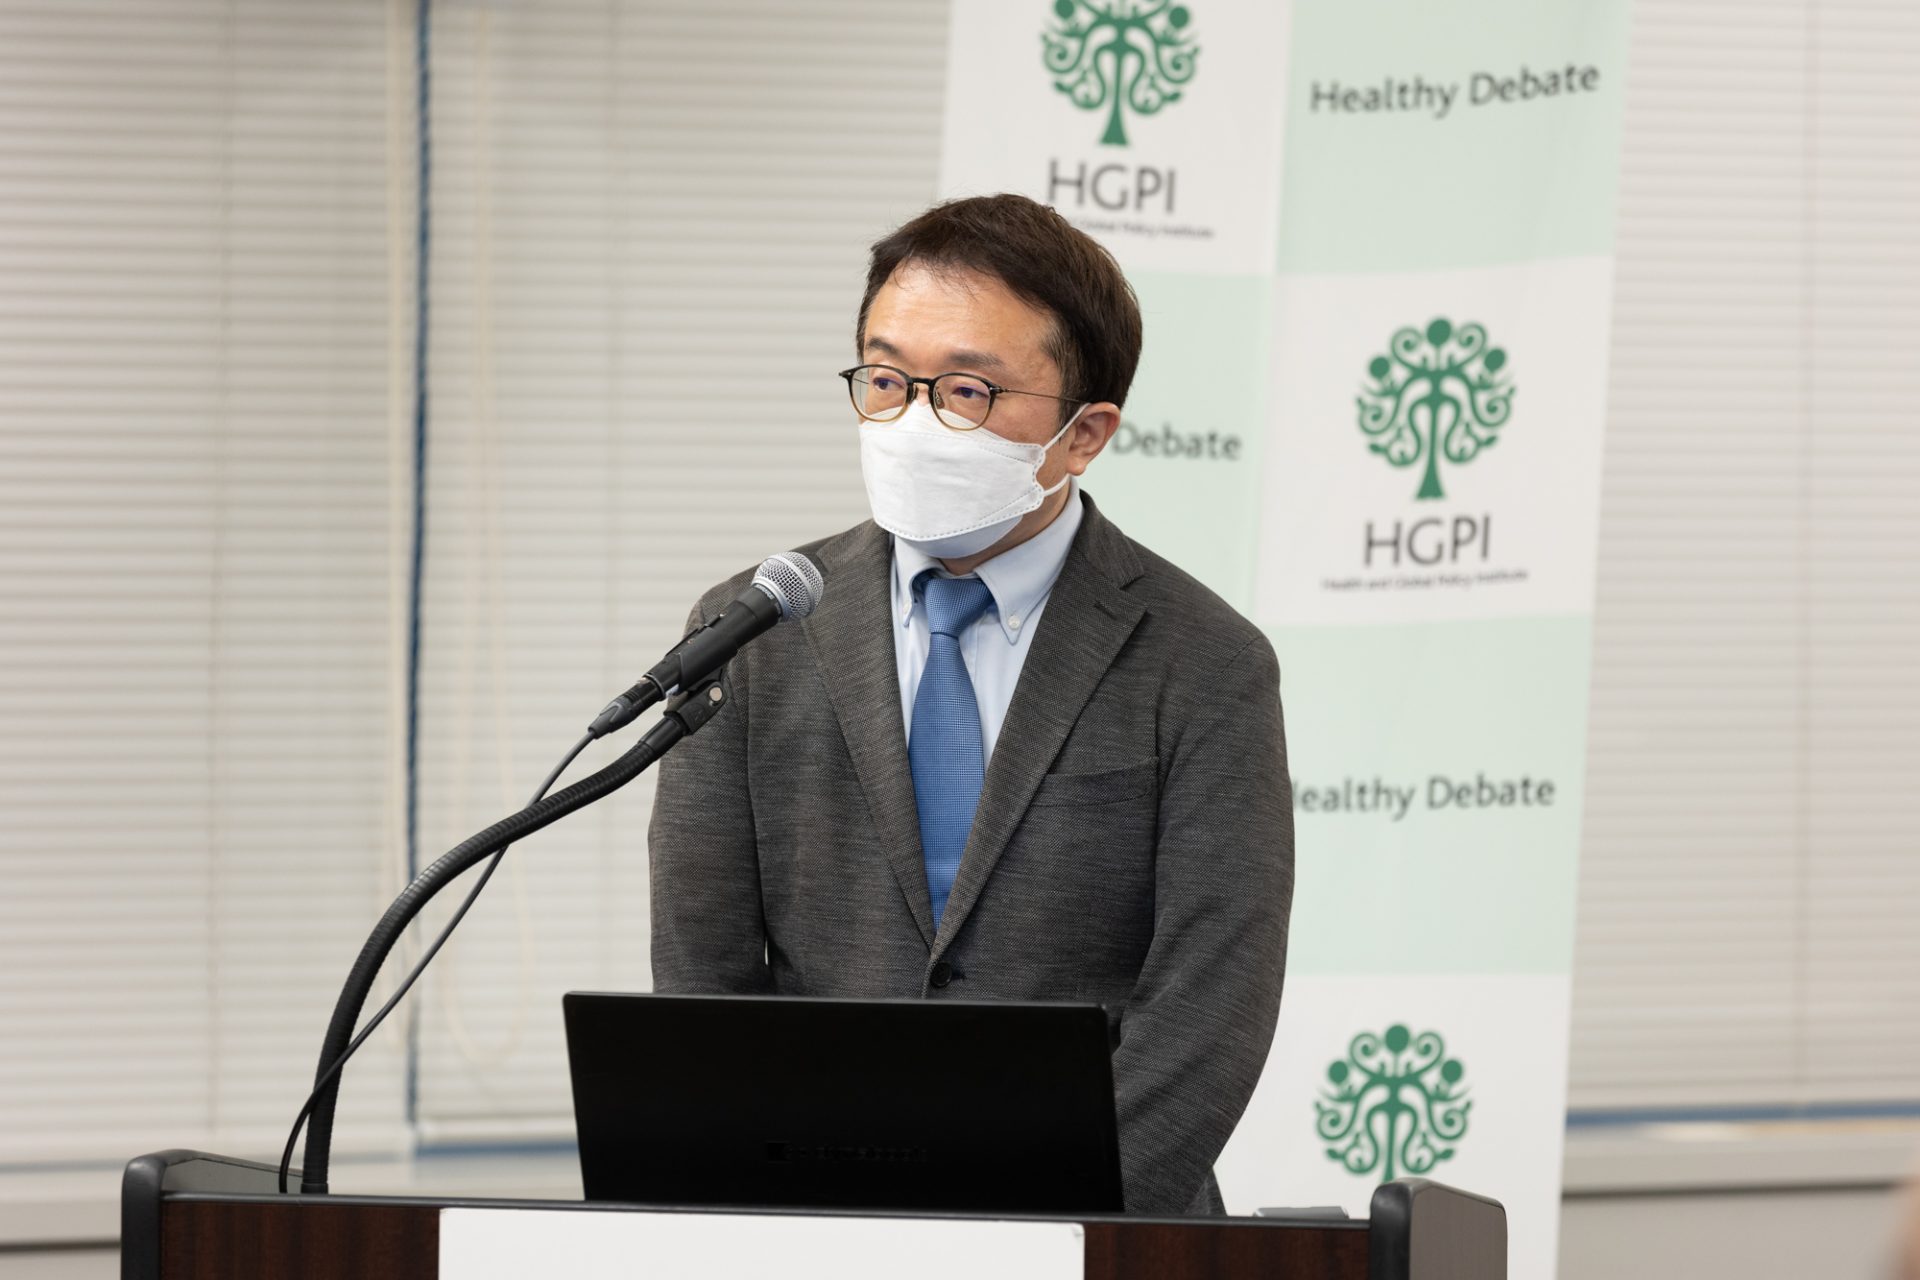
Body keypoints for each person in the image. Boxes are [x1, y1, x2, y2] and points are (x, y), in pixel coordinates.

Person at [648, 193, 1293, 1215]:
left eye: (967, 390)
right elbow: (701, 980)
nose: (913, 421)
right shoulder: (753, 631)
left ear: (1084, 434)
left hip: (1105, 1233)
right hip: (813, 1225)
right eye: (886, 378)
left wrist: (1054, 1229)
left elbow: (1211, 1006)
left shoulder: (1204, 660)